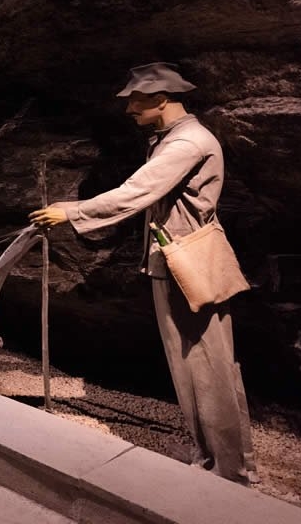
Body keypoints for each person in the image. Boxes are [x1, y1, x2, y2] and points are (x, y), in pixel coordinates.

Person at [28, 62, 256, 485]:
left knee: (207, 367)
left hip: (189, 264)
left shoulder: (186, 143)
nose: (129, 108)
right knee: (198, 365)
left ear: (160, 99)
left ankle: (228, 471)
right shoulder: (172, 139)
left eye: (135, 100)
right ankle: (213, 455)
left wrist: (72, 211)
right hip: (177, 260)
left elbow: (137, 191)